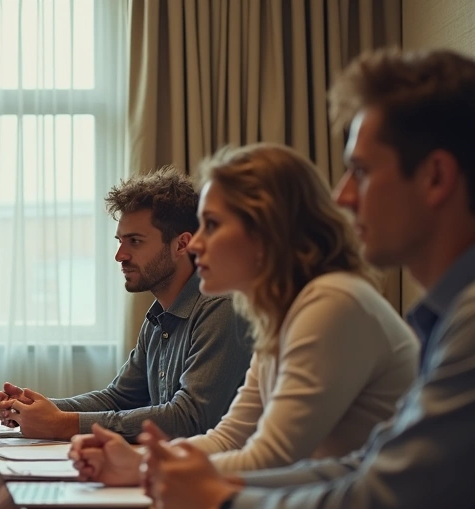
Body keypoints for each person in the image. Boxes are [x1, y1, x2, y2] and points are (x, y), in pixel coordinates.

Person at [141, 48, 475, 509]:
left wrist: (221, 501)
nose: (344, 195)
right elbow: (361, 467)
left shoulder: (343, 302)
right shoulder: (441, 317)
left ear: (437, 176)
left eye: (362, 172)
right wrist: (168, 471)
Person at [70, 143, 418, 484]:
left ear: (265, 231)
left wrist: (148, 468)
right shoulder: (280, 316)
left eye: (213, 224)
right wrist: (139, 462)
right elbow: (230, 438)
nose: (197, 243)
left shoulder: (330, 302)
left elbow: (271, 457)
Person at [0, 168, 251, 440]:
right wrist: (34, 409)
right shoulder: (158, 318)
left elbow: (190, 417)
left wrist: (63, 424)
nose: (120, 255)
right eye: (120, 241)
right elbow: (119, 398)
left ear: (181, 244)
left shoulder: (221, 307)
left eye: (135, 242)